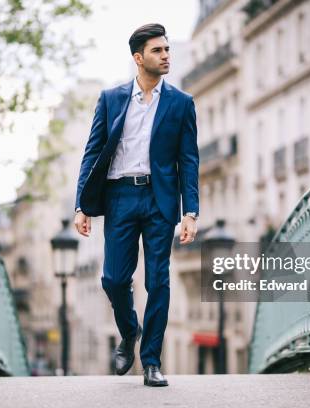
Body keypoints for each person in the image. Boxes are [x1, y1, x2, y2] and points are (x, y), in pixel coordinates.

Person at [74, 23, 199, 387]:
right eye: (158, 51)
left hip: (160, 198)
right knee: (114, 279)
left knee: (158, 280)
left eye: (167, 50)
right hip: (120, 197)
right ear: (138, 57)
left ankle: (151, 362)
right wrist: (81, 205)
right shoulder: (112, 99)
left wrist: (190, 211)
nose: (166, 56)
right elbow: (92, 153)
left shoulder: (181, 103)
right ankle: (130, 331)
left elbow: (189, 159)